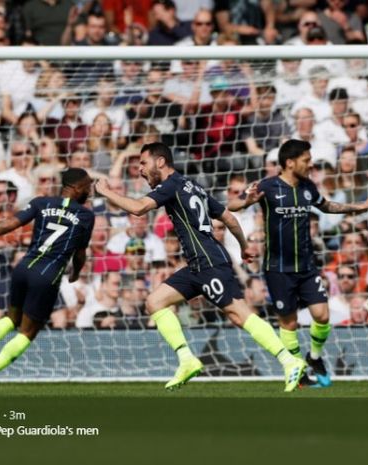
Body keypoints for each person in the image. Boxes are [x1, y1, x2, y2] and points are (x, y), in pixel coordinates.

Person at [95, 142, 307, 392]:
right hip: (198, 264)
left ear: (160, 162)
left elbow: (139, 208)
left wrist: (106, 191)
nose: (140, 169)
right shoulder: (192, 185)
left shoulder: (170, 185)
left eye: (143, 163)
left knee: (239, 313)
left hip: (208, 263)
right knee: (155, 301)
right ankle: (186, 360)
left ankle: (289, 360)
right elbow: (228, 217)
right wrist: (243, 246)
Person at [228, 139, 368, 387]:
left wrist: (359, 207)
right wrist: (246, 201)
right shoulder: (267, 186)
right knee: (289, 323)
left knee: (322, 316)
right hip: (278, 269)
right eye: (306, 160)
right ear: (290, 162)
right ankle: (299, 372)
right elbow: (232, 205)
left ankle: (315, 356)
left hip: (307, 267)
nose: (310, 165)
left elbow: (327, 206)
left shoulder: (308, 187)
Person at [0, 168, 94, 389]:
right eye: (87, 186)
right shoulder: (86, 215)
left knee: (11, 318)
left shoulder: (40, 202)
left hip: (22, 268)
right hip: (46, 275)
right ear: (76, 188)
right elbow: (80, 252)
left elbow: (9, 223)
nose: (90, 190)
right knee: (27, 332)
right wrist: (76, 272)